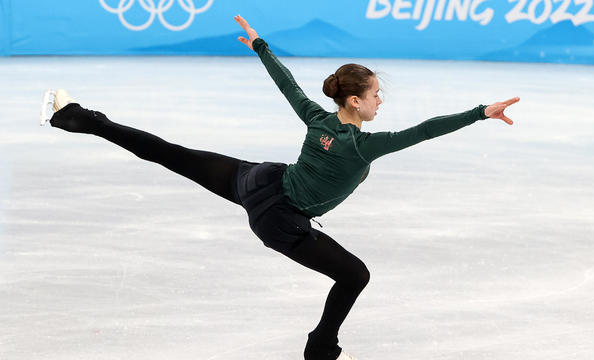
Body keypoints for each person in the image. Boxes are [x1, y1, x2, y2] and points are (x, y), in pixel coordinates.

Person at [45, 14, 519, 360]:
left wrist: (260, 46)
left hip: (256, 181)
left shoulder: (318, 117)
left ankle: (76, 118)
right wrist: (480, 112)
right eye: (376, 94)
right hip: (279, 217)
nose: (381, 100)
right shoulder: (365, 146)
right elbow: (428, 129)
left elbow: (287, 85)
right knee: (355, 276)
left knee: (169, 153)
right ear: (355, 101)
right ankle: (320, 350)